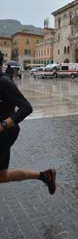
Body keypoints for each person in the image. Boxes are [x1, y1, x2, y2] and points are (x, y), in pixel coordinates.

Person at [0, 51, 56, 194]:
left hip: (5, 133)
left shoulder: (4, 82)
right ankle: (44, 176)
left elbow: (26, 107)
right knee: (2, 176)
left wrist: (4, 124)